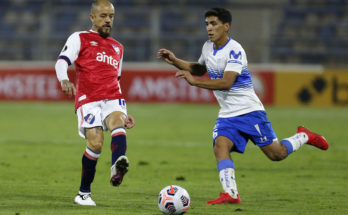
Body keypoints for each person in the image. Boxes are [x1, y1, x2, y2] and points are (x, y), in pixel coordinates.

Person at [158, 7, 329, 205]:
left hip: (249, 111)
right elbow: (200, 68)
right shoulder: (207, 46)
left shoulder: (235, 50)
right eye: (206, 24)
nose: (209, 28)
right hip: (227, 114)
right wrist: (175, 61)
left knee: (277, 154)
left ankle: (304, 135)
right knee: (220, 145)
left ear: (226, 26)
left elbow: (226, 82)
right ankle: (230, 194)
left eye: (213, 24)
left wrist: (194, 83)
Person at [55, 0, 134, 206]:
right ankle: (83, 194)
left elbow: (116, 79)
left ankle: (118, 164)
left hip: (113, 97)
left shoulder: (118, 47)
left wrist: (126, 112)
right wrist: (64, 79)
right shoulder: (79, 38)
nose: (108, 20)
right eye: (103, 16)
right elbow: (62, 61)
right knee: (96, 143)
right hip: (88, 99)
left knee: (118, 122)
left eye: (111, 16)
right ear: (92, 17)